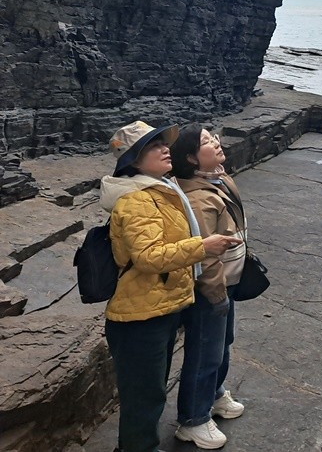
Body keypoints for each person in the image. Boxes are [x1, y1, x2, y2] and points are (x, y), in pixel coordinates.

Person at [100, 120, 241, 452]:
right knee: (144, 395)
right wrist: (203, 248)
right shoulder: (137, 200)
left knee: (151, 390)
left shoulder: (163, 188)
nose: (165, 148)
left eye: (163, 143)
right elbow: (148, 257)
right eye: (152, 146)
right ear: (133, 160)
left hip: (157, 307)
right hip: (138, 315)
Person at [169, 125, 247, 449]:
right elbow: (205, 257)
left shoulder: (215, 181)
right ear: (190, 158)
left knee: (222, 344)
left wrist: (215, 169)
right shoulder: (199, 200)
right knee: (204, 353)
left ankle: (214, 394)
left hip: (227, 283)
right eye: (206, 141)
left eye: (214, 136)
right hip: (211, 288)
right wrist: (215, 295)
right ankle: (193, 420)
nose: (216, 142)